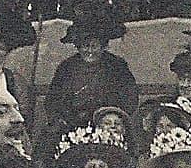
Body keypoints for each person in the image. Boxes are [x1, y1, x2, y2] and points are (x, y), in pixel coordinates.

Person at [46, 13, 138, 145]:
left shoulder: (117, 66)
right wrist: (61, 121)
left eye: (94, 46)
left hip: (107, 123)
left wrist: (114, 118)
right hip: (72, 125)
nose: (89, 51)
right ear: (78, 47)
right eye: (85, 46)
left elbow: (130, 98)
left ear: (103, 46)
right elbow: (52, 100)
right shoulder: (66, 67)